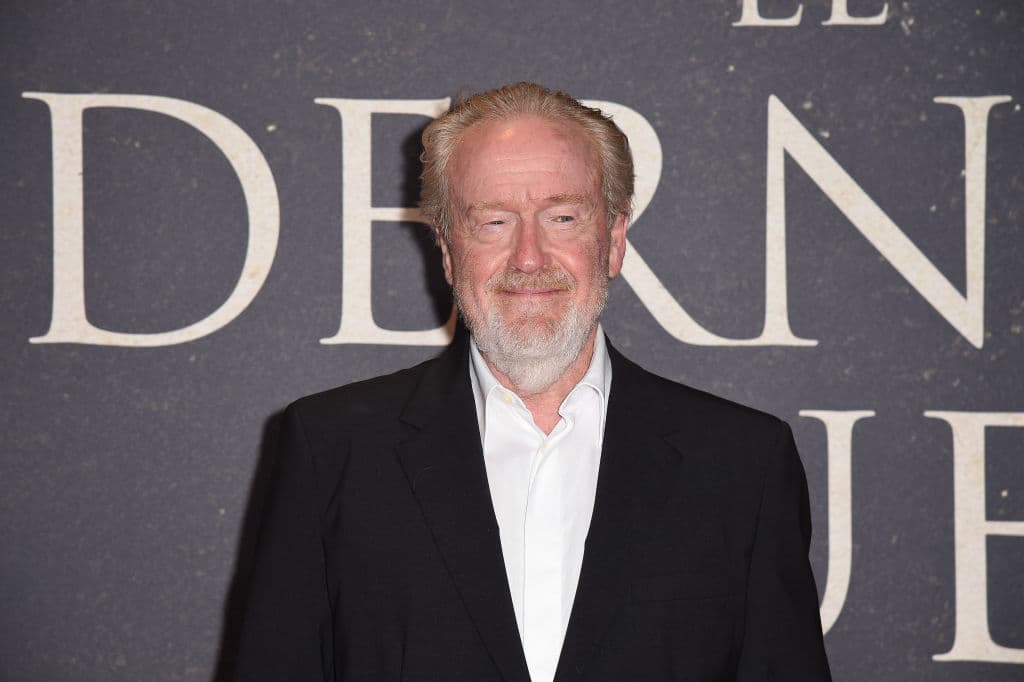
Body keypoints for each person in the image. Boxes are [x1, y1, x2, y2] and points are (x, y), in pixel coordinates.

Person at [233, 82, 832, 682]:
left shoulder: (741, 465)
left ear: (614, 240)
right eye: (493, 222)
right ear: (447, 250)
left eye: (563, 218)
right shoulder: (332, 452)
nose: (528, 257)